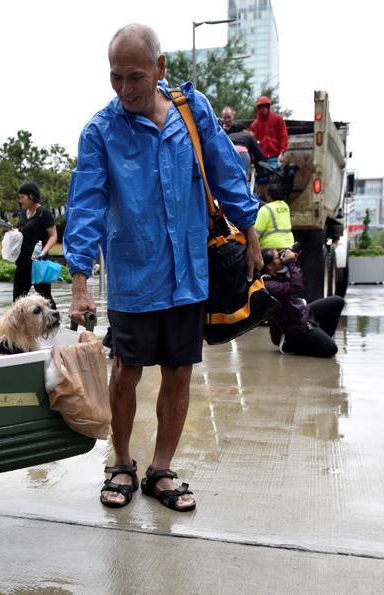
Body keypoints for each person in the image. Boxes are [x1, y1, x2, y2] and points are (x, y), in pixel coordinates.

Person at [65, 24, 261, 512]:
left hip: (188, 273)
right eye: (116, 78)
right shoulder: (100, 132)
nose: (126, 89)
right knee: (126, 371)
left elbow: (224, 169)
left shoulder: (192, 112)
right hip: (134, 276)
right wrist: (79, 281)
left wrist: (251, 228)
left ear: (160, 68)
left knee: (179, 372)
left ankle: (162, 468)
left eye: (136, 76)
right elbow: (86, 204)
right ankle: (122, 463)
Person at [262, 248, 344, 357]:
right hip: (294, 327)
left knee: (337, 301)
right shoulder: (268, 285)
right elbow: (296, 286)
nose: (282, 258)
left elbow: (297, 278)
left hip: (300, 313)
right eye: (278, 257)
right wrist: (290, 263)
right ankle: (291, 345)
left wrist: (293, 262)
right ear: (270, 266)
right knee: (330, 350)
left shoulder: (276, 274)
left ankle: (319, 338)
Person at [13, 181, 58, 308]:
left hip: (39, 262)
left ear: (31, 196)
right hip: (22, 263)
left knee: (46, 298)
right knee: (17, 300)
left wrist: (43, 252)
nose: (20, 200)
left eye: (22, 197)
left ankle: (54, 323)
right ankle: (20, 327)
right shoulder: (22, 213)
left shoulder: (44, 213)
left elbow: (53, 236)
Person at [249, 95, 289, 168]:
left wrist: (282, 152)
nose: (264, 109)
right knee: (262, 178)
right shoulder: (254, 125)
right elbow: (252, 143)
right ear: (258, 108)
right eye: (261, 107)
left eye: (265, 106)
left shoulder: (278, 120)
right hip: (261, 159)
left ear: (269, 107)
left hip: (275, 157)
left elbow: (283, 136)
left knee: (275, 177)